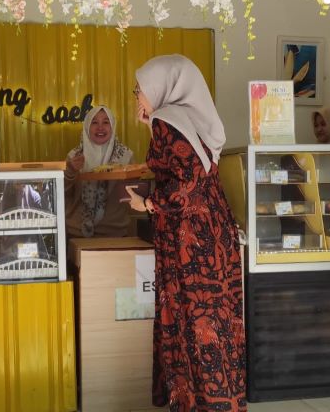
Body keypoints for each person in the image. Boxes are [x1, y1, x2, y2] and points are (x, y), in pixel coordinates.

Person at [125, 55, 247, 411]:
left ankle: (197, 405)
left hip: (190, 246)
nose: (137, 97)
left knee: (192, 326)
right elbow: (194, 173)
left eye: (140, 90)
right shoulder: (192, 117)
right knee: (217, 328)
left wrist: (146, 205)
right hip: (214, 238)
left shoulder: (167, 119)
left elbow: (185, 186)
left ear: (162, 87)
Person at [65, 105, 133, 238]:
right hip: (77, 234)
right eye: (94, 122)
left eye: (106, 122)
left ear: (112, 126)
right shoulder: (74, 157)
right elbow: (63, 194)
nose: (100, 127)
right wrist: (70, 171)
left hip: (115, 233)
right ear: (87, 127)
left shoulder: (126, 157)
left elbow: (132, 196)